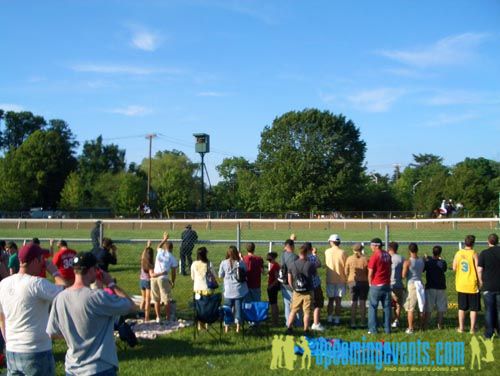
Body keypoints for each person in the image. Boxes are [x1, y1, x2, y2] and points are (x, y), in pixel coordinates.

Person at [47, 252, 135, 376]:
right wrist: (111, 284)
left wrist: (75, 337)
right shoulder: (97, 297)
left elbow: (53, 333)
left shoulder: (60, 298)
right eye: (96, 268)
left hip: (72, 368)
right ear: (91, 270)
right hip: (99, 367)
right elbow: (130, 305)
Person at [0, 243, 65, 376]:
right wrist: (55, 272)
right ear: (35, 260)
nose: (43, 263)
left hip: (12, 351)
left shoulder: (4, 284)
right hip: (36, 351)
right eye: (42, 259)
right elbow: (66, 296)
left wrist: (9, 341)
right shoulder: (37, 284)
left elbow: (2, 318)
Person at [286, 244, 316, 334]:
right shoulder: (310, 265)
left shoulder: (292, 265)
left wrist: (293, 288)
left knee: (293, 310)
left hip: (297, 291)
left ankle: (289, 327)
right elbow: (315, 276)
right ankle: (306, 329)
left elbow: (289, 279)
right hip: (308, 291)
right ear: (306, 253)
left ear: (299, 253)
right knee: (306, 311)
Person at [453, 234, 480, 333]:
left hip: (461, 284)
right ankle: (472, 329)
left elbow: (454, 268)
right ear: (473, 243)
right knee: (473, 308)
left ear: (465, 242)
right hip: (472, 284)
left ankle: (461, 328)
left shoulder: (458, 253)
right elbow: (478, 268)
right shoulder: (474, 254)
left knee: (462, 307)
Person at [219, 246, 248, 333]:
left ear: (228, 253)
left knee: (227, 308)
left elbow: (220, 275)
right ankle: (238, 327)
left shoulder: (224, 263)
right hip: (239, 290)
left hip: (228, 290)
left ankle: (227, 326)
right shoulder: (241, 263)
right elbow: (245, 272)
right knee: (238, 309)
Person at [151, 233, 178, 323]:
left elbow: (158, 246)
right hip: (163, 278)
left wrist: (164, 239)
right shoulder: (172, 258)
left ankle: (158, 317)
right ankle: (168, 317)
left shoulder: (160, 251)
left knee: (156, 299)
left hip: (154, 277)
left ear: (165, 247)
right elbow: (173, 272)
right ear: (171, 249)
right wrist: (173, 282)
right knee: (166, 299)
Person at [367, 238, 392, 334]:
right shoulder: (387, 254)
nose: (371, 247)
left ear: (376, 245)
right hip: (386, 284)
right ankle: (387, 329)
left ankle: (373, 329)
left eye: (371, 245)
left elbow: (370, 272)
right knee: (387, 307)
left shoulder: (375, 256)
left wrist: (370, 284)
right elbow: (389, 269)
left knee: (373, 307)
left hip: (376, 284)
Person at [477, 233, 500, 338]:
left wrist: (481, 282)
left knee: (489, 311)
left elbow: (480, 270)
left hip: (488, 286)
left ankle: (489, 333)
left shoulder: (484, 253)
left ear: (488, 241)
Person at [402, 243, 425, 334]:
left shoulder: (408, 262)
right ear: (417, 250)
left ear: (409, 251)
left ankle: (410, 328)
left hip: (412, 284)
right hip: (420, 283)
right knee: (421, 306)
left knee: (410, 308)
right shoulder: (421, 261)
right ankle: (422, 326)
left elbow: (403, 275)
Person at [345, 242, 369, 329]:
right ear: (361, 249)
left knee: (353, 302)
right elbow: (368, 271)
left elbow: (346, 271)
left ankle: (353, 322)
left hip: (352, 281)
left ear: (353, 249)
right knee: (363, 302)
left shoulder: (349, 259)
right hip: (363, 282)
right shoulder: (365, 259)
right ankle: (363, 322)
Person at [324, 234, 347, 325]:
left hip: (330, 278)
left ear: (332, 242)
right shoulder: (343, 252)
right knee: (338, 301)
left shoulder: (327, 251)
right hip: (341, 279)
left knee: (330, 300)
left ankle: (329, 318)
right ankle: (337, 318)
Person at [423, 245, 448, 330]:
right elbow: (443, 267)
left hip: (430, 286)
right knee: (441, 308)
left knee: (428, 308)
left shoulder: (428, 262)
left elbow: (424, 268)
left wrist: (426, 259)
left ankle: (426, 325)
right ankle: (439, 325)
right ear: (440, 253)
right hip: (441, 287)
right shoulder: (443, 262)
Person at [305, 242, 325, 331]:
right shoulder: (312, 257)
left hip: (305, 285)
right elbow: (319, 264)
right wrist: (314, 254)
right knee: (317, 303)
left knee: (307, 305)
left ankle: (306, 323)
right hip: (315, 284)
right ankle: (316, 323)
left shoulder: (300, 258)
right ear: (310, 249)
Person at [280, 239, 298, 326]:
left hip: (284, 283)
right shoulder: (295, 257)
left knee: (287, 304)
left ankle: (288, 322)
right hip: (292, 283)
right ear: (293, 246)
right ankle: (298, 322)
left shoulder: (283, 255)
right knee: (296, 305)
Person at [388, 241, 405, 328]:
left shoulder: (386, 258)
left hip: (388, 284)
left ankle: (388, 320)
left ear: (389, 249)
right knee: (398, 304)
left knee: (389, 304)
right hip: (398, 283)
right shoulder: (401, 258)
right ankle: (396, 320)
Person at [139, 241, 155, 322]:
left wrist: (147, 246)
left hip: (141, 281)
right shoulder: (150, 265)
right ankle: (146, 317)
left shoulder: (142, 261)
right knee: (148, 300)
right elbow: (152, 275)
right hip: (148, 282)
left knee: (143, 299)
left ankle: (139, 314)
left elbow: (143, 255)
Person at [266, 252, 280, 326]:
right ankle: (276, 320)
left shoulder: (275, 266)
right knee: (274, 304)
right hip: (272, 287)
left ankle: (274, 322)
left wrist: (271, 286)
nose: (269, 261)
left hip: (272, 287)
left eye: (270, 260)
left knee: (273, 304)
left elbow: (277, 278)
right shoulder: (275, 265)